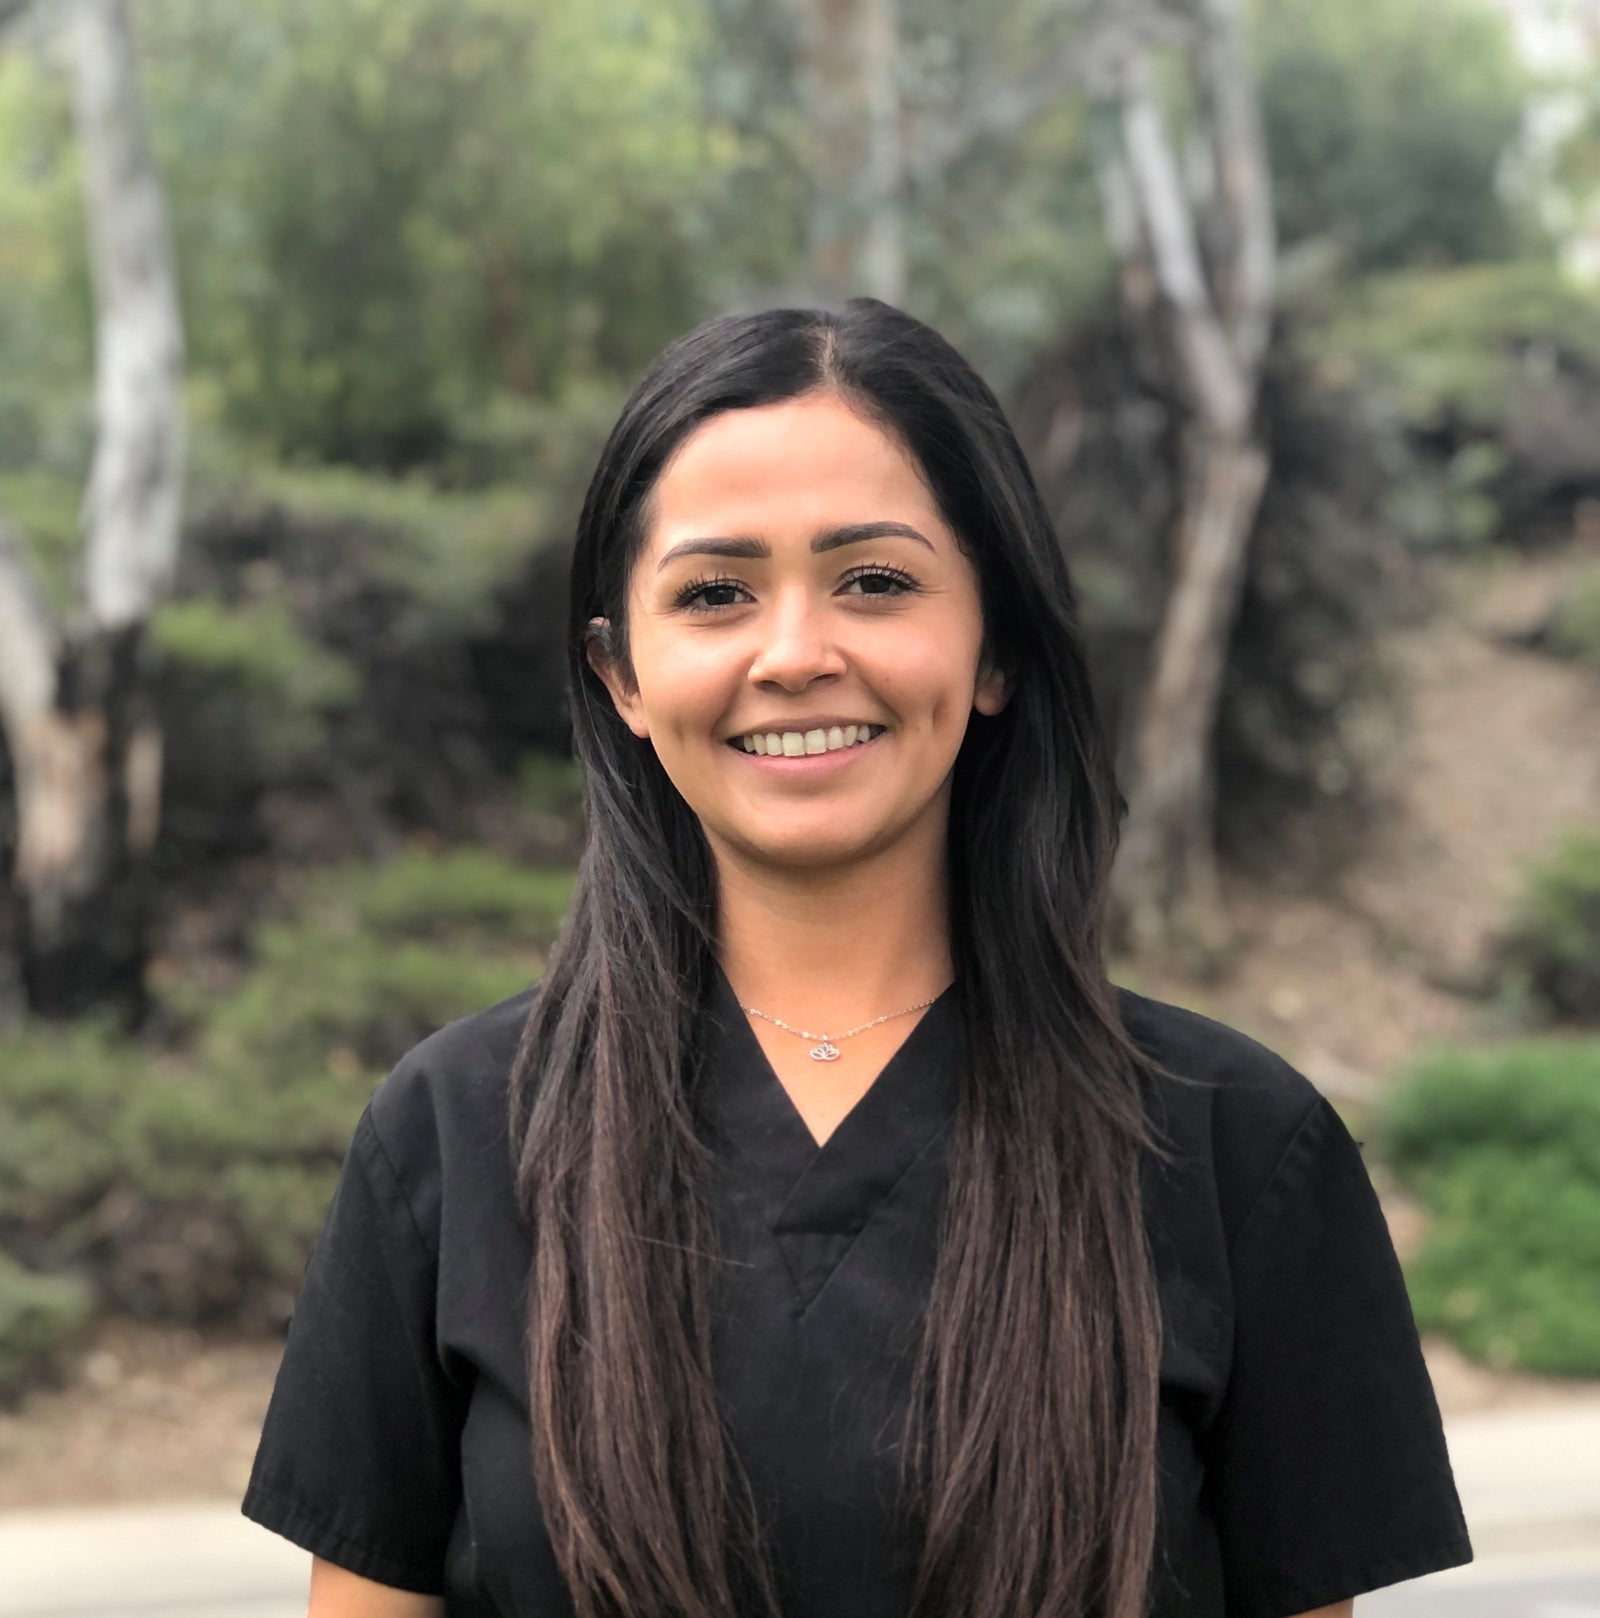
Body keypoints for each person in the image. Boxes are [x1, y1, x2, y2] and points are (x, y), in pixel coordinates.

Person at [242, 299, 1473, 1618]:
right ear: (622, 676)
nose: (795, 655)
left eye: (875, 581)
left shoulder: (1238, 1150)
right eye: (714, 594)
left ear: (996, 645)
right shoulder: (452, 1138)